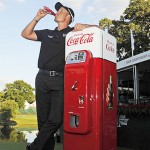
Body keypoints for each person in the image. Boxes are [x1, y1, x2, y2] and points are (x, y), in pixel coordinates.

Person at [21, 2, 100, 150]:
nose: (57, 12)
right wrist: (37, 18)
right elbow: (25, 34)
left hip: (60, 79)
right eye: (57, 11)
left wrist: (85, 26)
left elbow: (99, 29)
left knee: (56, 119)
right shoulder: (46, 33)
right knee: (43, 122)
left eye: (61, 10)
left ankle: (34, 147)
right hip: (42, 78)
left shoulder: (73, 33)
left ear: (68, 17)